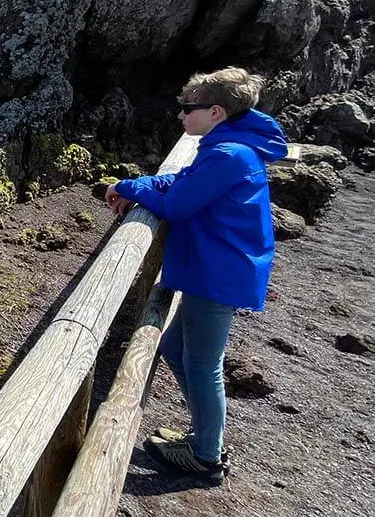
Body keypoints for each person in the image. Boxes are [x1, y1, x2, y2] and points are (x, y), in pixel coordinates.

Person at [105, 66, 288, 484]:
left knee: (204, 365)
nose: (182, 116)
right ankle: (205, 435)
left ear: (217, 112)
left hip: (218, 272)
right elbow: (181, 180)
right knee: (174, 347)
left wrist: (130, 190)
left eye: (189, 108)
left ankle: (206, 455)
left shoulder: (228, 155)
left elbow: (177, 205)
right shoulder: (227, 146)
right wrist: (134, 183)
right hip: (217, 266)